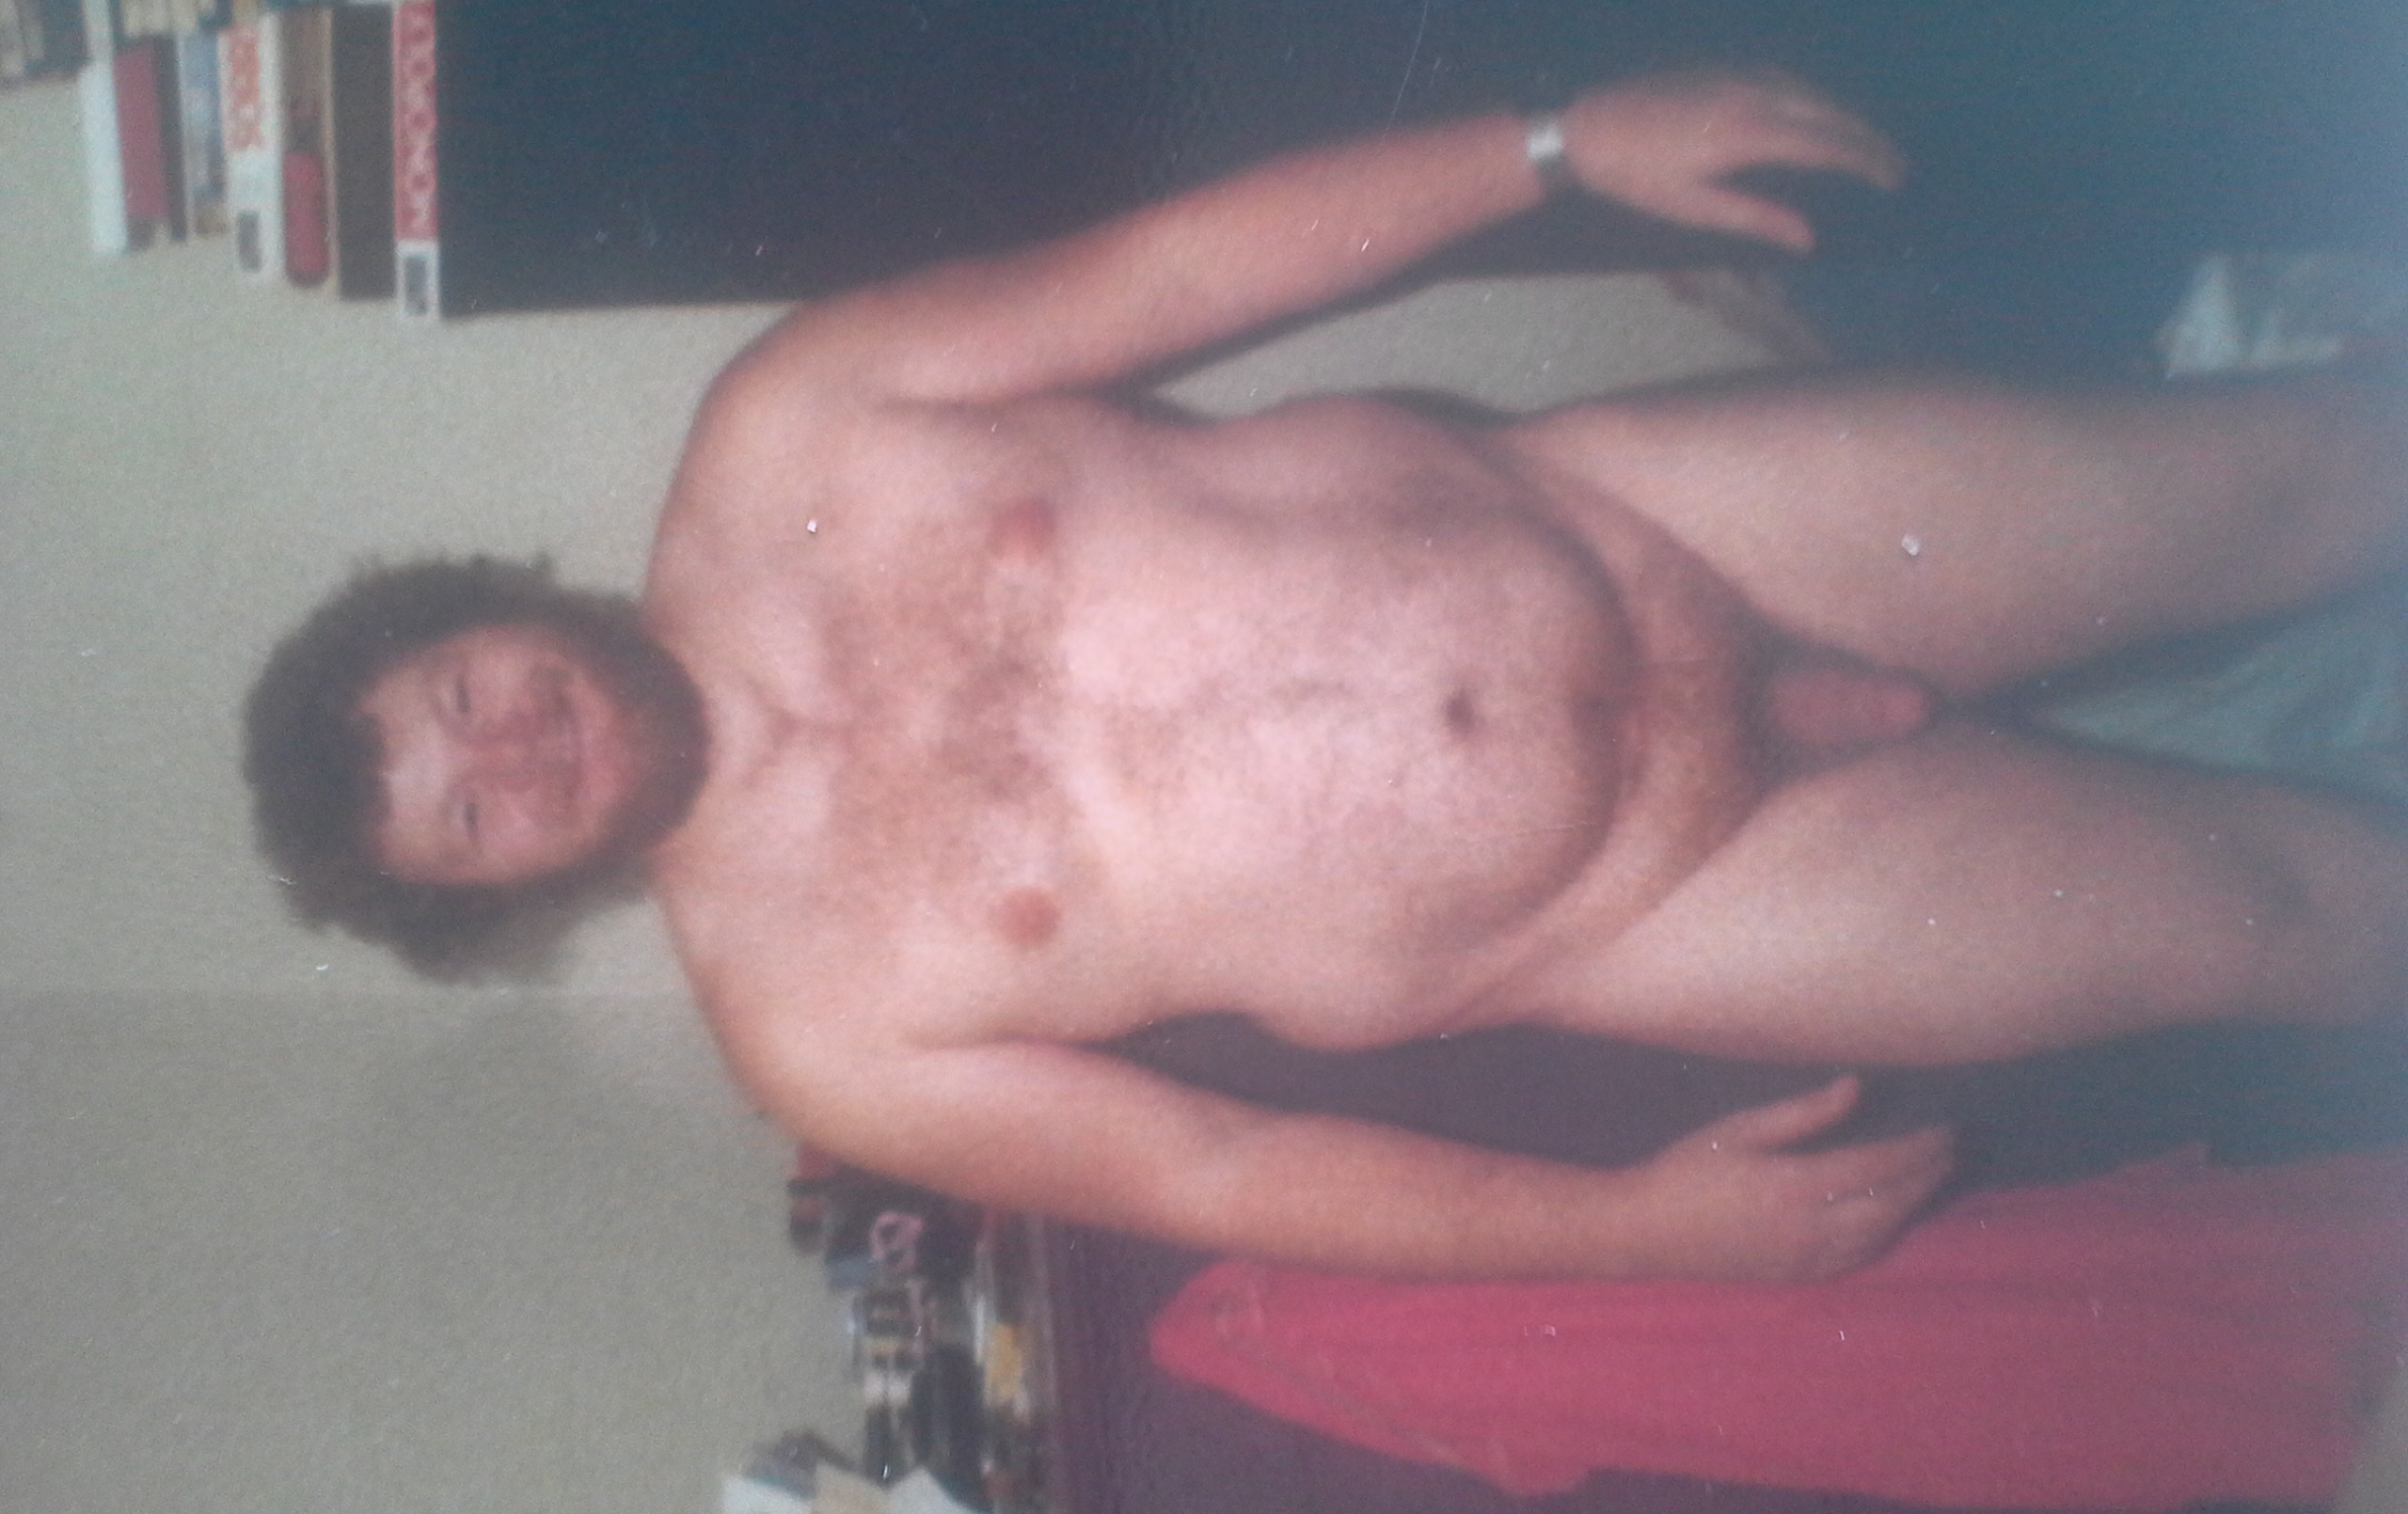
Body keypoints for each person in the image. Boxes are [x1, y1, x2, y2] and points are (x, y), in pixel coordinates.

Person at [246, 71, 2408, 1282]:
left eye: (458, 696)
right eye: (470, 815)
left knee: (2303, 472)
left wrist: (1553, 151)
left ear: (483, 605)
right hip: (1655, 903)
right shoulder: (815, 1036)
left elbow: (1177, 268)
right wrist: (1630, 1235)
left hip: (1669, 526)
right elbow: (1208, 1173)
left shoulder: (788, 432)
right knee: (2280, 920)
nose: (510, 751)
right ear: (510, 891)